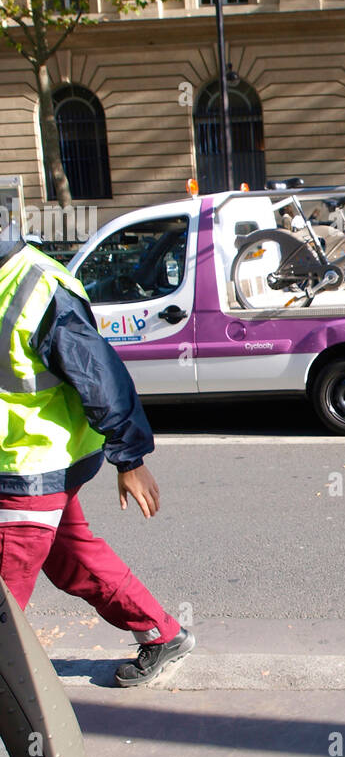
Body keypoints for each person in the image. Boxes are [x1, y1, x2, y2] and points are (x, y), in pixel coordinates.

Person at [0, 230, 193, 686]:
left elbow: (99, 374)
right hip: (31, 466)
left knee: (4, 599)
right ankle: (163, 634)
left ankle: (19, 714)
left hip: (31, 470)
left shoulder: (36, 288)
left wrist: (131, 459)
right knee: (73, 559)